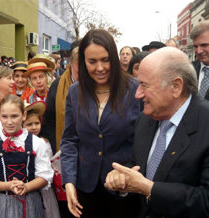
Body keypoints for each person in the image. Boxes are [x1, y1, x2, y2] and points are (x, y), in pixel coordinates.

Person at [105, 47, 209, 217]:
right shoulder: (145, 120)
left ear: (176, 86)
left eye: (145, 86)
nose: (138, 94)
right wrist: (122, 178)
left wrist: (148, 188)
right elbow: (139, 166)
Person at [60, 29, 140, 218]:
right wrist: (69, 182)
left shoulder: (135, 89)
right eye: (92, 61)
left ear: (114, 57)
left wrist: (129, 171)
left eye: (105, 60)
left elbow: (144, 140)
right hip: (86, 188)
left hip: (125, 188)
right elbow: (70, 140)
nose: (100, 68)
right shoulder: (75, 92)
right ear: (83, 62)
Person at [0, 95, 53, 218]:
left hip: (31, 201)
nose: (9, 122)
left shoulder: (37, 143)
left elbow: (44, 176)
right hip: (2, 202)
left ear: (24, 115)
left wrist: (26, 187)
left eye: (14, 116)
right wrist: (9, 185)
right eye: (5, 117)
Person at [40, 46, 79, 218]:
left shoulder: (94, 85)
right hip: (61, 151)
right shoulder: (58, 84)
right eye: (79, 67)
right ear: (71, 65)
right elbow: (48, 120)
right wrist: (57, 148)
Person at [23, 101, 60, 218]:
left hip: (44, 187)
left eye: (36, 123)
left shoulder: (45, 142)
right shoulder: (20, 145)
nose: (34, 127)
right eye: (29, 124)